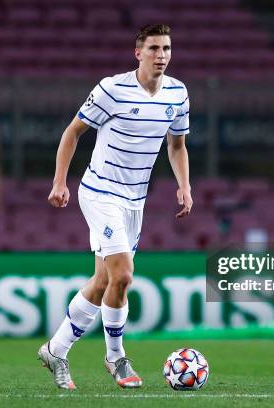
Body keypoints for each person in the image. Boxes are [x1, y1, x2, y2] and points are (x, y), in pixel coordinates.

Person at [37, 24, 192, 390]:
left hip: (135, 200)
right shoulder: (112, 89)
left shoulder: (178, 93)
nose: (161, 55)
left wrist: (185, 185)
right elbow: (72, 132)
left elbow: (177, 145)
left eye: (167, 48)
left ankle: (55, 350)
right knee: (123, 274)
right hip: (100, 192)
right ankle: (116, 357)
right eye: (153, 48)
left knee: (104, 281)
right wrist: (60, 181)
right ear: (138, 53)